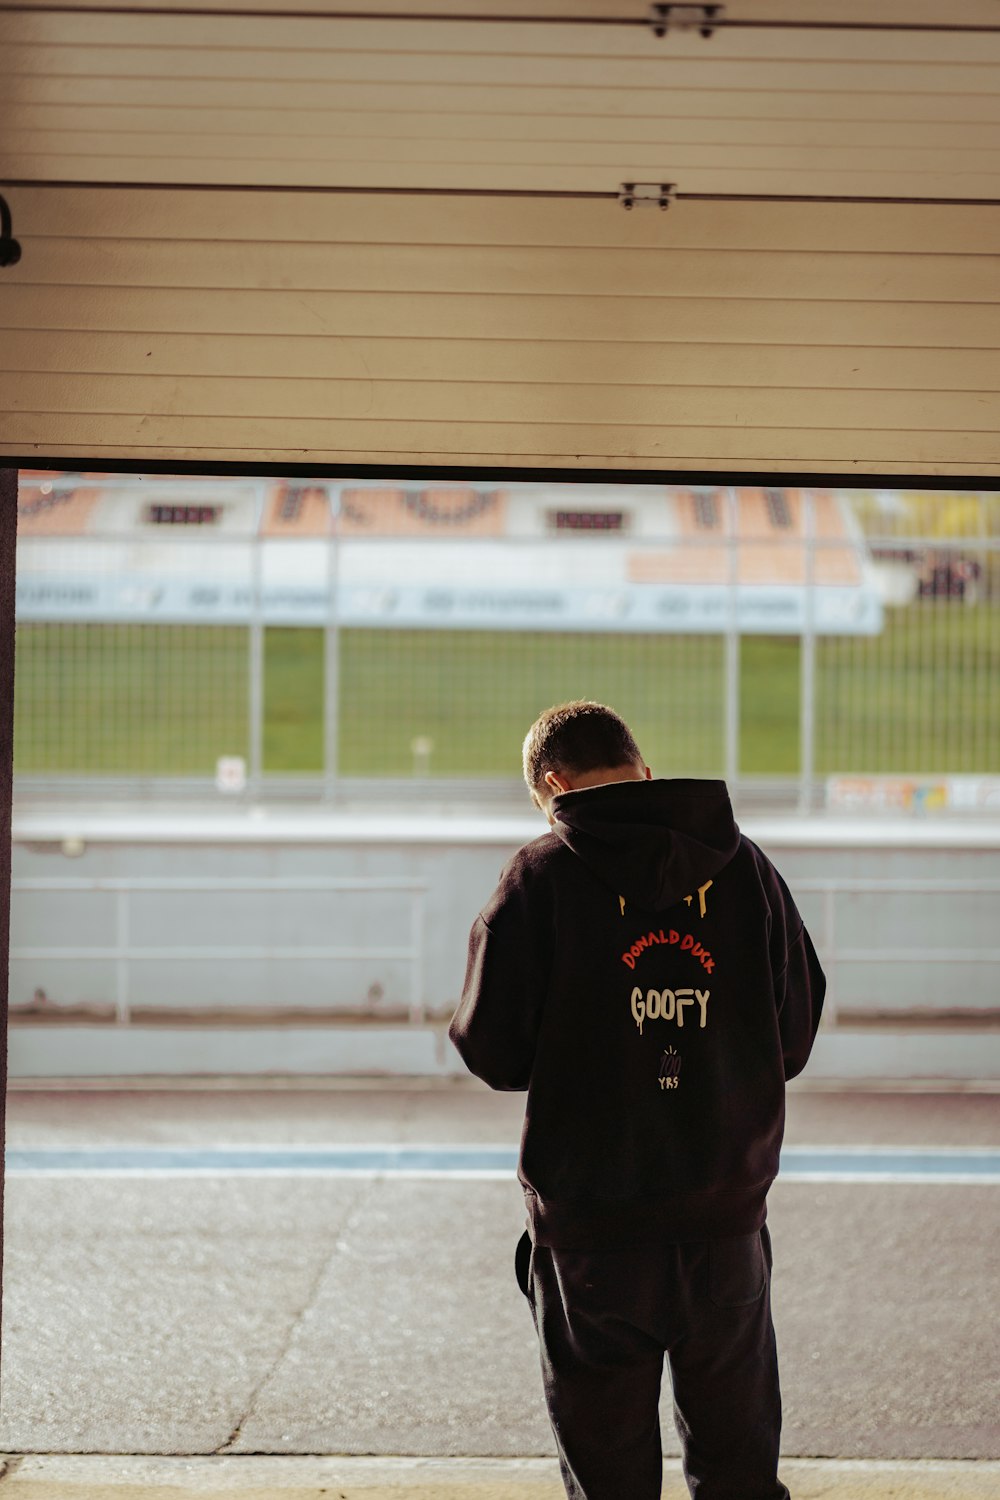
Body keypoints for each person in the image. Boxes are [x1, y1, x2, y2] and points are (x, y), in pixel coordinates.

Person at [448, 700, 826, 1500]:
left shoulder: (539, 877)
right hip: (723, 1226)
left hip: (593, 1236)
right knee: (739, 1473)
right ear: (642, 767)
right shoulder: (745, 869)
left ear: (553, 785)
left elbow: (494, 1053)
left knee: (608, 1478)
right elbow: (792, 1037)